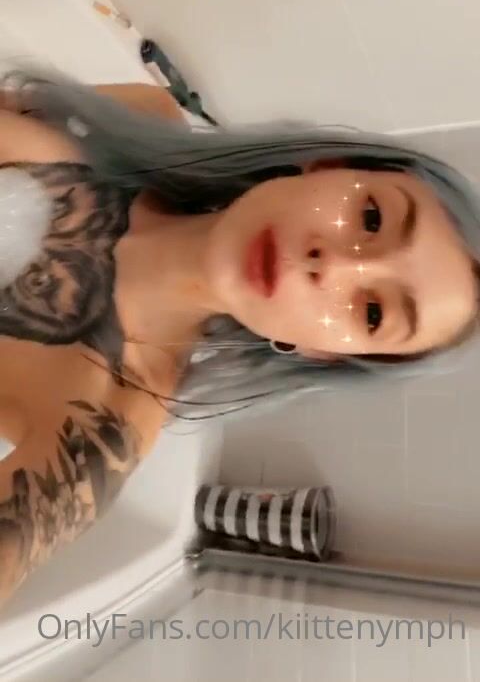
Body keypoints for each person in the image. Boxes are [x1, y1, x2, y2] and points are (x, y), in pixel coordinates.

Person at [0, 68, 478, 603]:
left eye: (371, 313)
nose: (333, 265)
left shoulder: (99, 426)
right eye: (370, 218)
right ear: (328, 166)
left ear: (323, 352)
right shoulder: (141, 114)